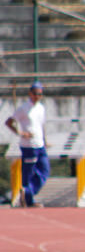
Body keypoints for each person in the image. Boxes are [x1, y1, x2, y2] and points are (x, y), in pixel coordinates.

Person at [5, 80, 49, 208]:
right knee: (28, 173)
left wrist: (45, 140)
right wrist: (21, 133)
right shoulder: (23, 108)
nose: (37, 96)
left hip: (40, 145)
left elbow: (41, 125)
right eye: (35, 94)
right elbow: (9, 122)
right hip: (28, 145)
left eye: (40, 94)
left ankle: (27, 192)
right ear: (30, 93)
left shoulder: (41, 108)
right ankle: (28, 200)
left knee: (45, 170)